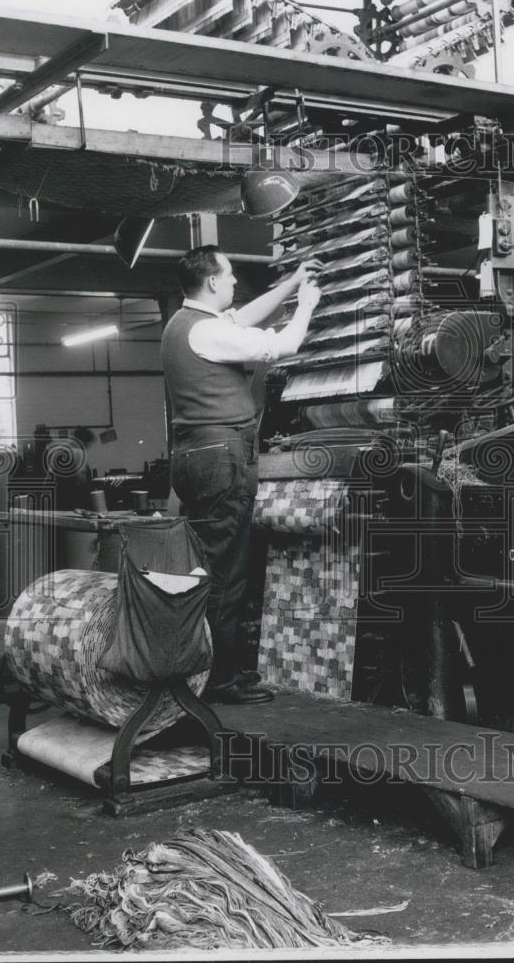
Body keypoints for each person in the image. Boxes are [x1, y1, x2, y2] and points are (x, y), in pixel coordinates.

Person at [161, 245, 322, 704]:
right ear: (212, 282)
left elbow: (241, 319)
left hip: (196, 455)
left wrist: (291, 283)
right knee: (225, 572)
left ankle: (209, 668)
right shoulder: (207, 331)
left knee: (209, 564)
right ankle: (219, 678)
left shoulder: (184, 325)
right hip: (221, 457)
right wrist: (307, 305)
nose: (234, 283)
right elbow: (281, 346)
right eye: (229, 275)